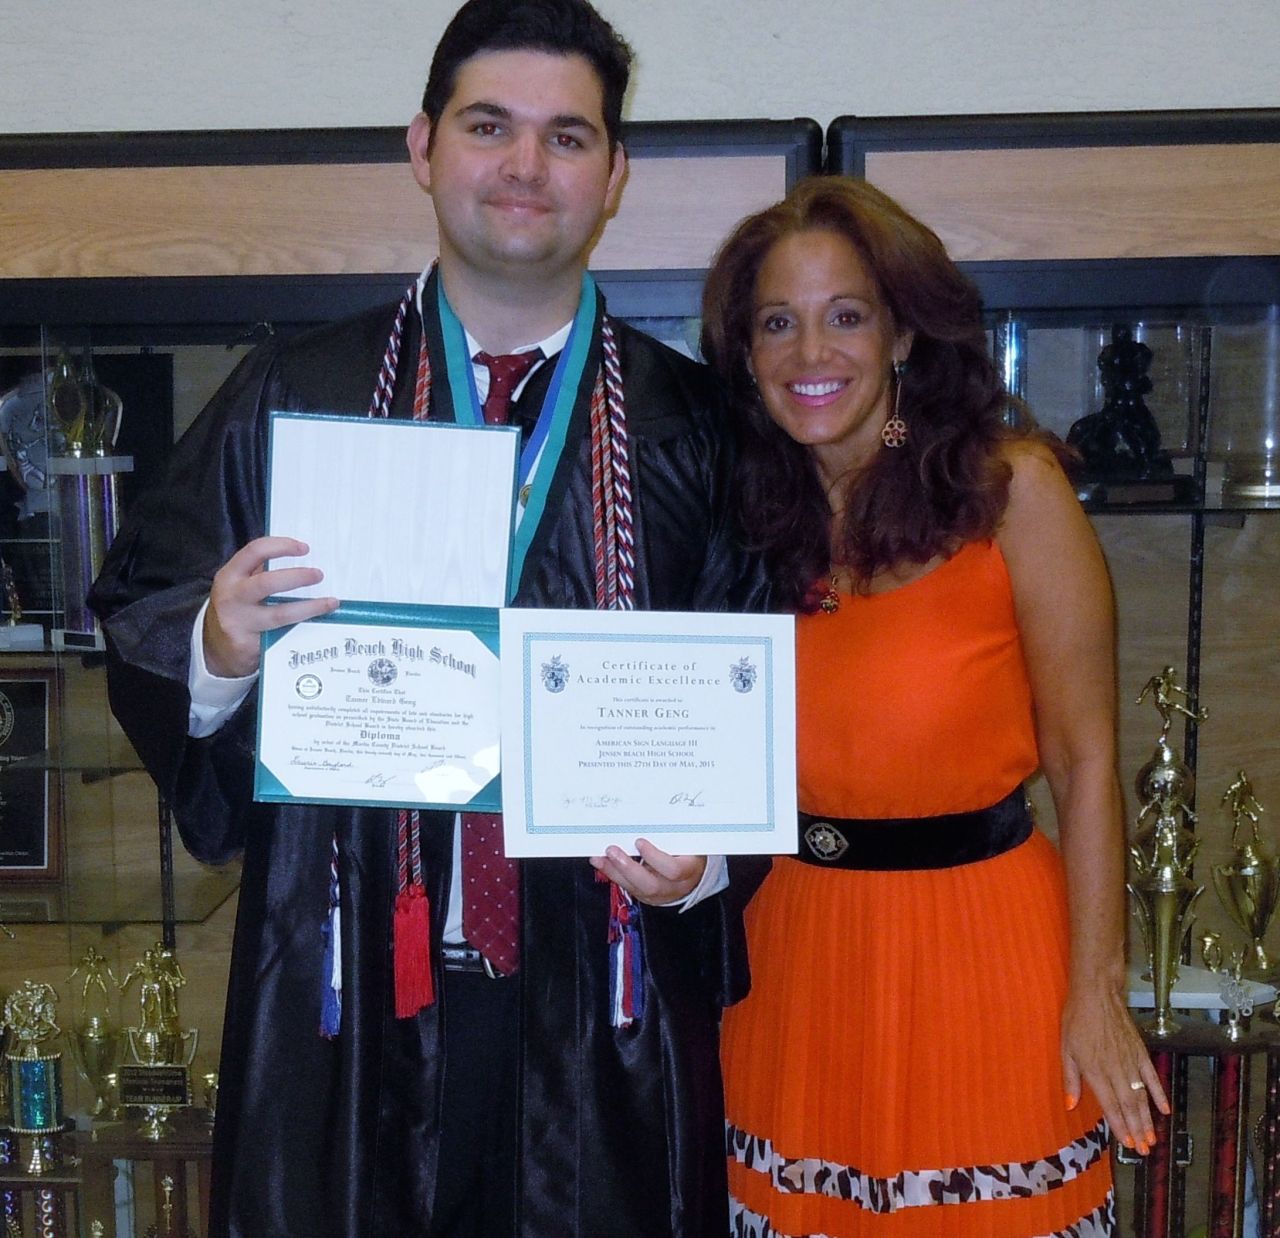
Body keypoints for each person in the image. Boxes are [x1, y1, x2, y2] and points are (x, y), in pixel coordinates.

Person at [89, 3, 767, 1234]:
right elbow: (140, 599)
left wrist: (708, 862)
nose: (524, 166)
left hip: (603, 1002)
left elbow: (763, 684)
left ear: (613, 175)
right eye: (488, 126)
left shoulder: (695, 428)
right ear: (421, 146)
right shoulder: (295, 398)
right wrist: (218, 646)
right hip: (353, 991)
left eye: (568, 137)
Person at [699, 176, 1168, 1238]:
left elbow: (1085, 760)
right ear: (745, 351)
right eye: (777, 322)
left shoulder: (1011, 491)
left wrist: (1096, 987)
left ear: (902, 333)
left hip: (983, 952)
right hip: (792, 958)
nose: (809, 353)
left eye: (845, 315)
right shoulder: (739, 519)